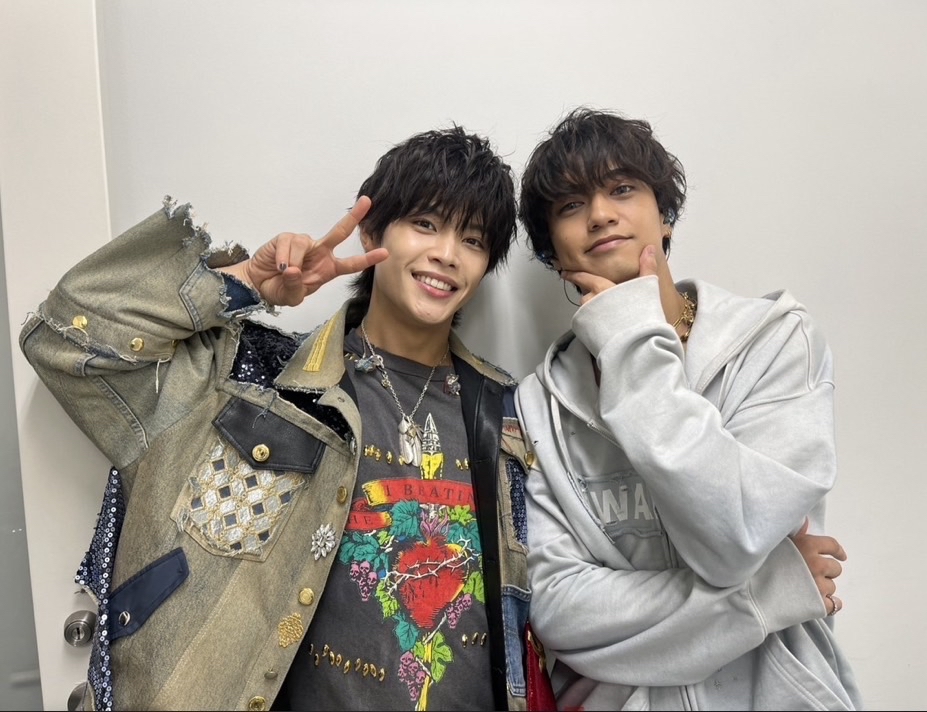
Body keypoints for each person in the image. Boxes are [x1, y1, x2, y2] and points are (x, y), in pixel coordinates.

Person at [20, 126, 539, 711]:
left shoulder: (507, 411)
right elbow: (64, 340)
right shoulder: (254, 379)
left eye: (472, 240)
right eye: (425, 224)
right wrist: (243, 284)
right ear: (372, 232)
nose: (447, 253)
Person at [514, 107, 864, 710]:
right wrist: (767, 591)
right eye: (571, 205)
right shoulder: (534, 404)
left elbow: (735, 536)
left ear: (666, 217)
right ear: (554, 254)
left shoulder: (776, 342)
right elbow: (560, 610)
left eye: (622, 189)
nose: (600, 213)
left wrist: (629, 340)